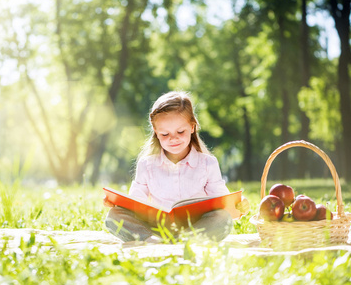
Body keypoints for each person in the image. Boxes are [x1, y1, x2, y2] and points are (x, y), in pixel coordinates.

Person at [104, 91, 250, 243]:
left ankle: (186, 240)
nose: (173, 138)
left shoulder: (207, 163)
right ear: (156, 132)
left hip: (195, 226)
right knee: (114, 216)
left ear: (192, 127)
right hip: (156, 228)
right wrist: (117, 203)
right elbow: (136, 201)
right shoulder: (146, 165)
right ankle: (154, 241)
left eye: (180, 131)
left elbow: (221, 200)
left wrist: (238, 203)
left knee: (223, 219)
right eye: (165, 134)